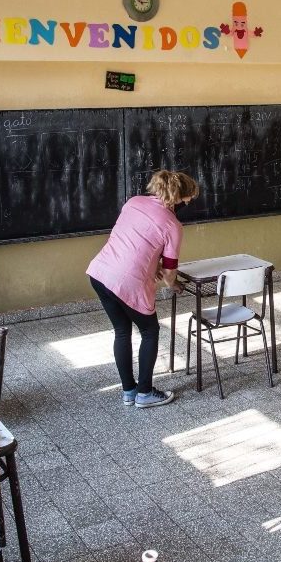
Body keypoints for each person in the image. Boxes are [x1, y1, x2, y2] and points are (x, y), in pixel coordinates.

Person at [87, 170, 199, 408]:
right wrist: (174, 285)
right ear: (181, 196)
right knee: (149, 331)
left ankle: (129, 391)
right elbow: (169, 274)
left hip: (100, 272)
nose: (190, 202)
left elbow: (135, 241)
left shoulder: (133, 202)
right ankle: (145, 393)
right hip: (128, 281)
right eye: (190, 197)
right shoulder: (173, 226)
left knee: (122, 331)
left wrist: (153, 263)